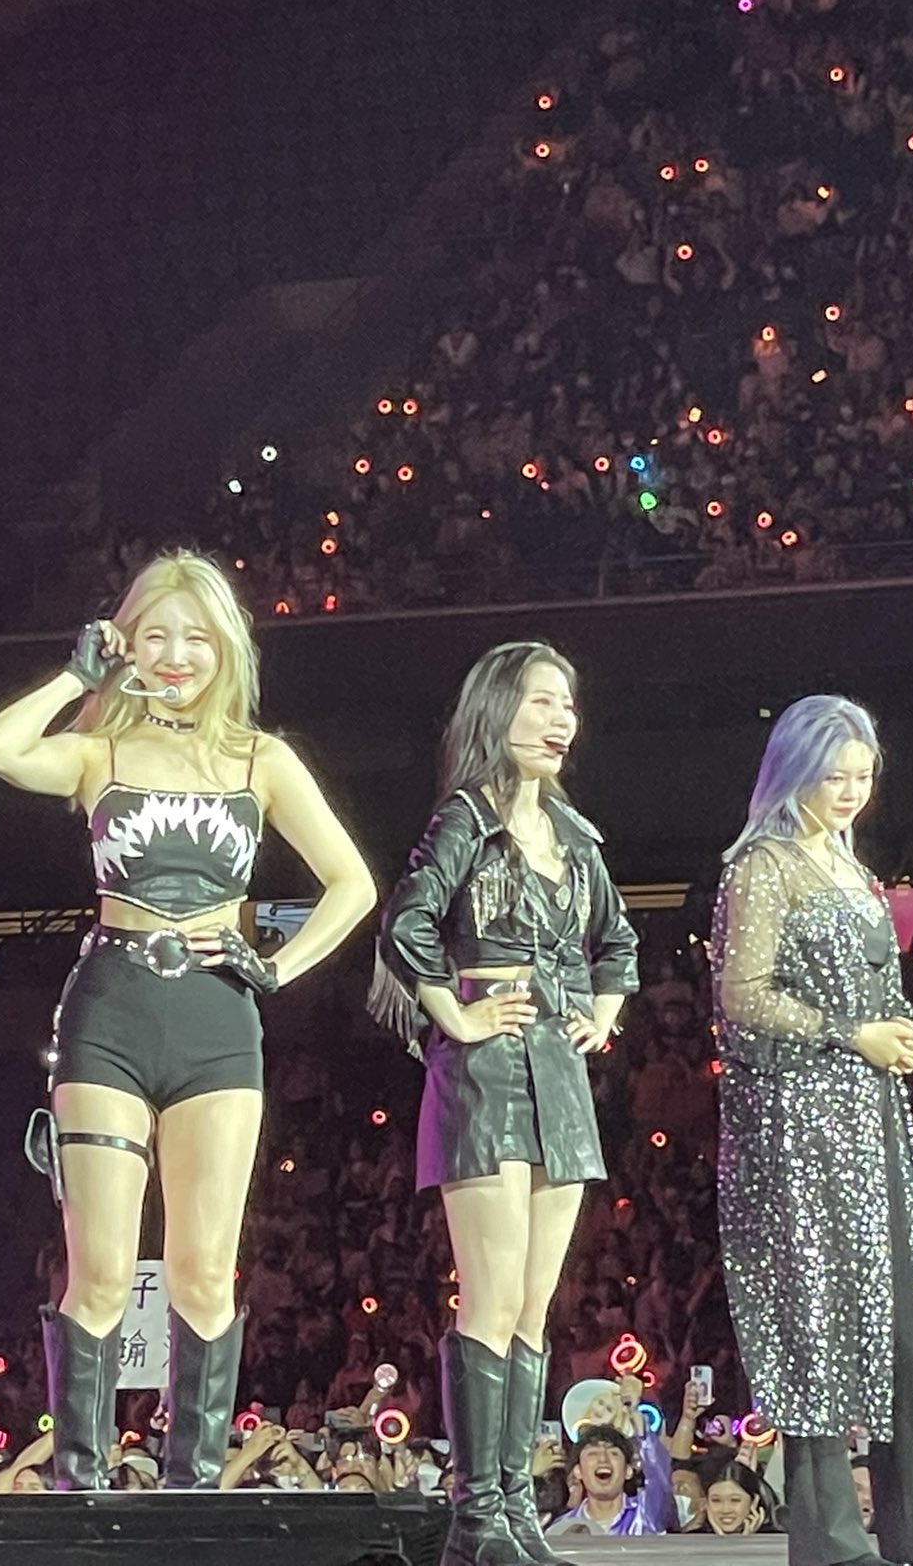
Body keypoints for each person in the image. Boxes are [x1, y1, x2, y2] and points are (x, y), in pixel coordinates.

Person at [0, 551, 375, 1492]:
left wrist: (274, 966)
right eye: (154, 635)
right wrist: (75, 680)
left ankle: (192, 1491)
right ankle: (81, 1489)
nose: (176, 654)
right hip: (109, 1015)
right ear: (125, 643)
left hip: (216, 1023)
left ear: (226, 647)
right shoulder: (100, 751)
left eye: (196, 636)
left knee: (202, 1272)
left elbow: (352, 884)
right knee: (100, 1274)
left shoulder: (261, 759)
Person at [374, 641, 639, 1565]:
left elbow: (619, 942)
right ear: (496, 712)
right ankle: (476, 1514)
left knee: (533, 1310)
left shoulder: (573, 833)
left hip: (558, 1079)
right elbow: (405, 923)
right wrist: (457, 1013)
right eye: (540, 703)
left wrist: (601, 1014)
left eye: (568, 704)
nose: (561, 720)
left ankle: (517, 1507)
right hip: (485, 1075)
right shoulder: (465, 819)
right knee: (488, 1304)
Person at [713, 695, 913, 1566]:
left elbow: (878, 987)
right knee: (813, 1317)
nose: (851, 792)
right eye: (834, 777)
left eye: (862, 776)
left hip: (870, 1115)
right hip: (798, 1122)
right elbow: (743, 996)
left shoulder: (851, 867)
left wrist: (902, 1029)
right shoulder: (763, 867)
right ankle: (832, 1539)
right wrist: (851, 1033)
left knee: (901, 1314)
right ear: (794, 774)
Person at [547, 1419, 673, 1537]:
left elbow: (660, 1480)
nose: (603, 1459)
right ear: (578, 1471)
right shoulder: (563, 1528)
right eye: (593, 1453)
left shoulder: (646, 1513)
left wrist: (643, 1434)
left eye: (613, 1453)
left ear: (628, 1471)